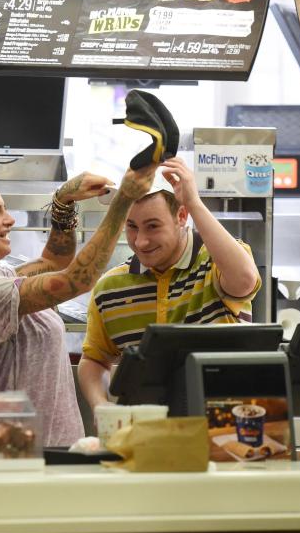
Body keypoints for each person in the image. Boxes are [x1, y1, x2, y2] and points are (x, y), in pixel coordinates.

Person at [0, 165, 157, 447]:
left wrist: (63, 201)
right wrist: (122, 201)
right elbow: (77, 279)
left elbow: (55, 261)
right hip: (25, 458)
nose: (9, 220)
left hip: (51, 453)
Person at [77, 157, 262, 410]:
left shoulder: (214, 263)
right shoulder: (110, 288)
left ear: (182, 216)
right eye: (131, 227)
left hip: (226, 431)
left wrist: (194, 202)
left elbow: (244, 280)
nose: (141, 241)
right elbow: (95, 361)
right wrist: (100, 405)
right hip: (146, 434)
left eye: (153, 226)